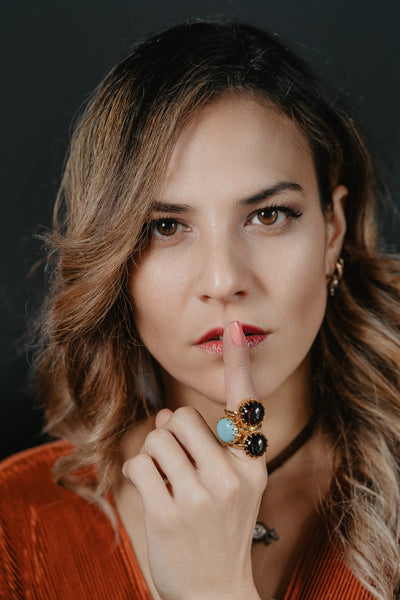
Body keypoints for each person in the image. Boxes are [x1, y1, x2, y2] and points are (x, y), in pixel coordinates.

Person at [1, 19, 399, 600]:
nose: (223, 280)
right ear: (115, 262)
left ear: (332, 231)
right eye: (165, 227)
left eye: (268, 216)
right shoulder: (15, 528)